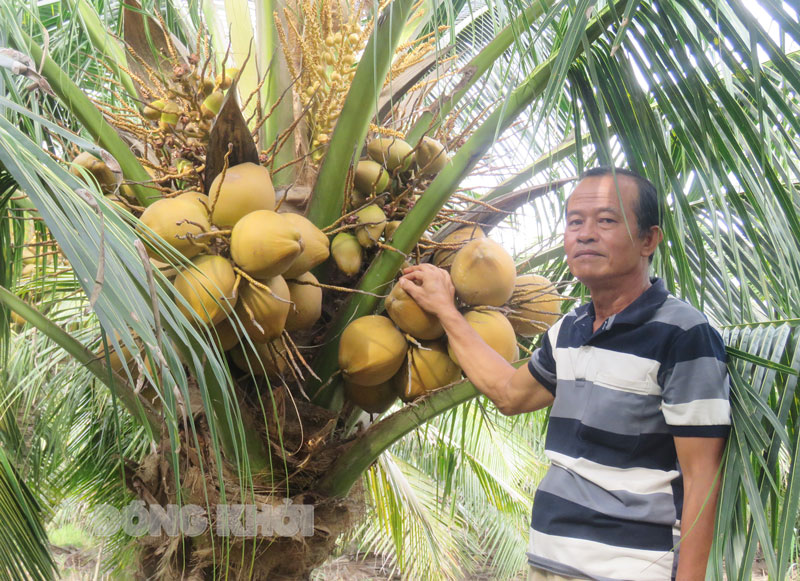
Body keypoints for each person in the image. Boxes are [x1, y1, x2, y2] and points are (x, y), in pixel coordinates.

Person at [399, 167, 730, 581]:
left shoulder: (684, 335)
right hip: (549, 562)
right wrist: (446, 310)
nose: (585, 234)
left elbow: (704, 478)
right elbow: (509, 393)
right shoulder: (569, 330)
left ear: (649, 239)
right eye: (575, 222)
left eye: (606, 220)